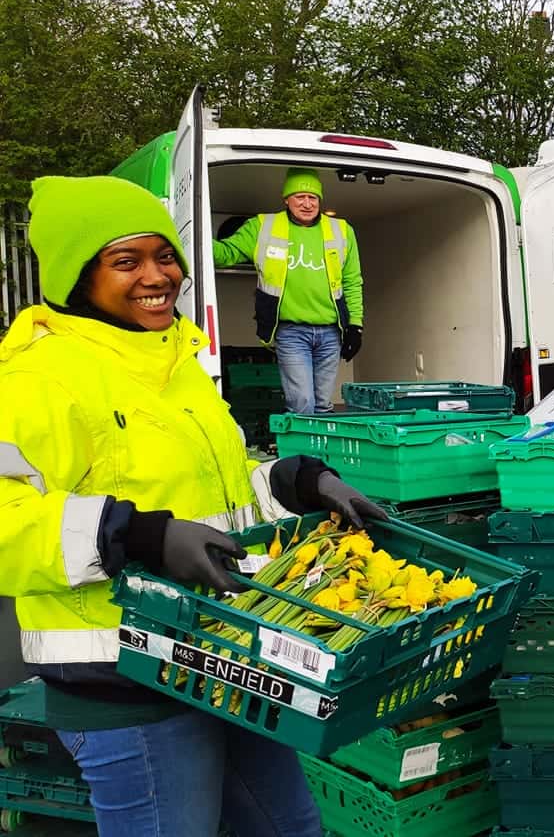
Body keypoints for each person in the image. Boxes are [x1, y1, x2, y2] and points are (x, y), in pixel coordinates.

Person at [0, 175, 388, 836]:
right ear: (77, 276)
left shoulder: (174, 354)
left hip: (222, 658)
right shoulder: (40, 375)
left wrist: (297, 481)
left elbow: (219, 483)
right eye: (126, 261)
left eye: (165, 255)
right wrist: (134, 538)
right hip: (123, 682)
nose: (158, 276)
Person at [213, 167, 364, 414]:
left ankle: (319, 453)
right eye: (299, 197)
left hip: (330, 332)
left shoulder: (342, 230)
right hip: (291, 332)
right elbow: (226, 254)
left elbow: (352, 281)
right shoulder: (263, 226)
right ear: (286, 200)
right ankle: (302, 453)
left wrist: (355, 326)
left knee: (324, 404)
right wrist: (189, 235)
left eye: (312, 197)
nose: (307, 203)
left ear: (320, 200)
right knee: (302, 403)